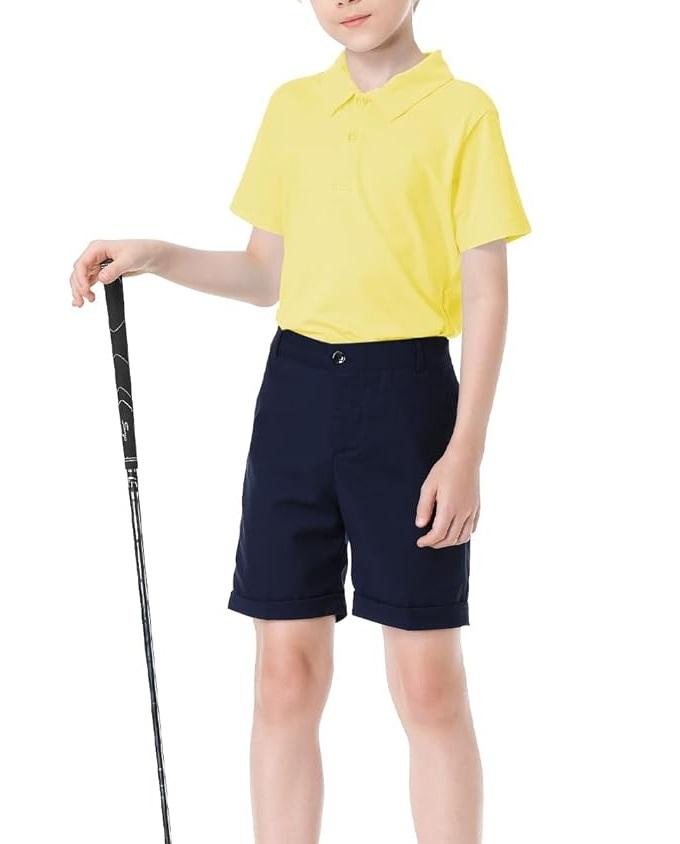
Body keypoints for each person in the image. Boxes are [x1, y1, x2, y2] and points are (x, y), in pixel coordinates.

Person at [69, 1, 531, 840]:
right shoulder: (293, 107)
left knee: (428, 682)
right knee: (284, 675)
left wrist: (466, 450)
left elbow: (486, 293)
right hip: (297, 395)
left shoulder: (464, 113)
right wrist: (158, 256)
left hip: (410, 400)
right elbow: (264, 273)